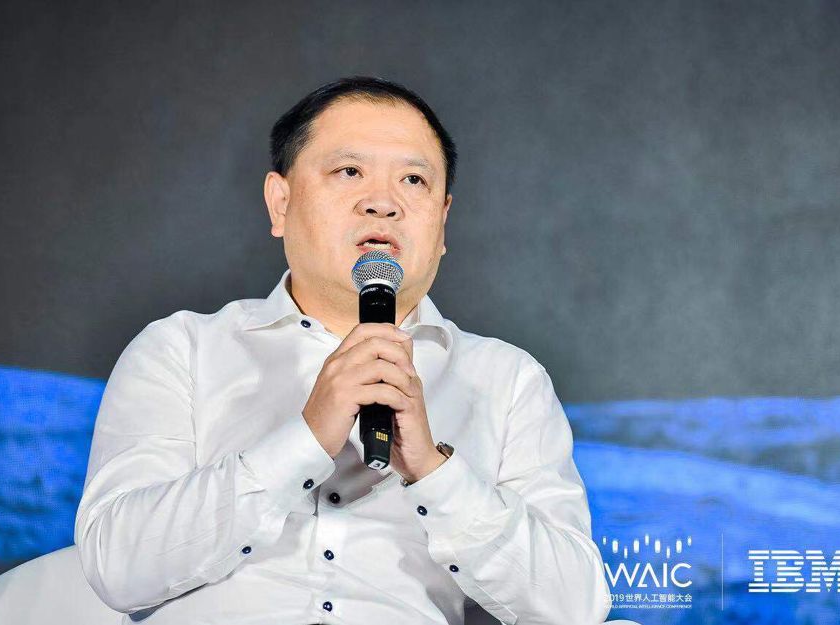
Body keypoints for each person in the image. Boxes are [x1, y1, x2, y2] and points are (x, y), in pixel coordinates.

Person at [74, 76, 613, 625]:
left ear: (442, 221)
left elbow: (575, 608)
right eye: (349, 171)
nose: (383, 203)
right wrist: (305, 438)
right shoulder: (182, 350)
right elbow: (117, 567)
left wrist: (433, 471)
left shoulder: (507, 379)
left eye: (413, 180)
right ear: (280, 203)